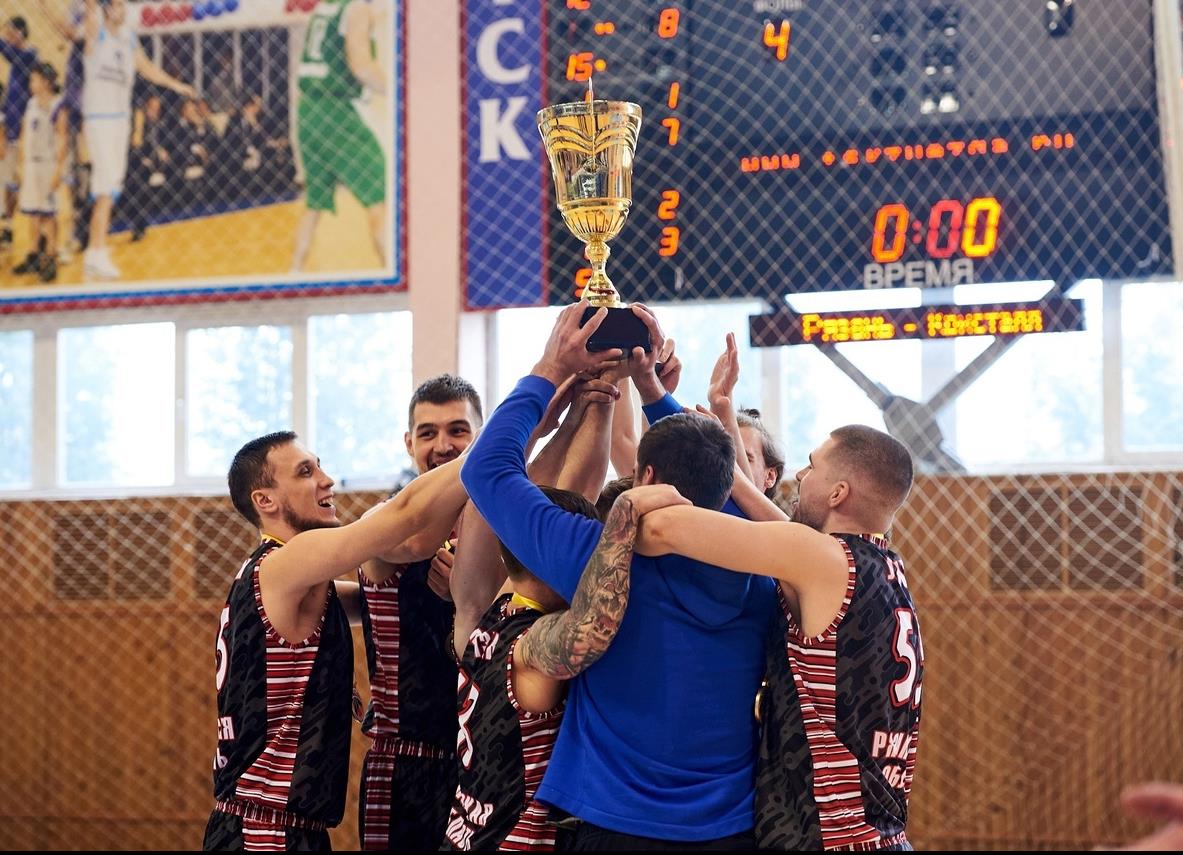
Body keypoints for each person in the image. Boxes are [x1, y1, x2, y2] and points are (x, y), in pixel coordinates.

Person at [461, 302, 779, 849]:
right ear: (729, 483)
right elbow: (720, 487)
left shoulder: (594, 552)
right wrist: (652, 390)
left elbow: (485, 467)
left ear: (644, 476)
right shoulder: (763, 570)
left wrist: (549, 369)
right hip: (730, 827)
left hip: (613, 821)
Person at [635, 423, 922, 850]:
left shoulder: (822, 559)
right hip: (881, 836)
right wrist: (729, 453)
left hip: (826, 837)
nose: (801, 476)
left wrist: (640, 486)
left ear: (838, 493)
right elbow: (786, 534)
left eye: (811, 466)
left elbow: (659, 529)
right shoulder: (883, 567)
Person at [204, 430, 468, 851]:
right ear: (265, 500)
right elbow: (405, 514)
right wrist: (497, 438)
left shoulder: (295, 585)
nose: (326, 480)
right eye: (305, 472)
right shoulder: (284, 563)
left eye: (320, 466)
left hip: (286, 825)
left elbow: (378, 601)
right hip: (265, 829)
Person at [445, 483, 689, 851]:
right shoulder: (530, 646)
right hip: (512, 841)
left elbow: (528, 526)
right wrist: (624, 515)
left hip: (465, 833)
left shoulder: (500, 609)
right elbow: (593, 626)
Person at [353, 374, 484, 851]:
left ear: (479, 433)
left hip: (482, 761)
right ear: (409, 443)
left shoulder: (498, 530)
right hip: (405, 764)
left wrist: (473, 591)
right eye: (428, 433)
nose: (443, 445)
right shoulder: (381, 521)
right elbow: (411, 542)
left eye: (458, 430)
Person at [81, 0, 194, 280]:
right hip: (100, 118)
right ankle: (96, 251)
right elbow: (90, 9)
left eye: (124, 5)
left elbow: (147, 68)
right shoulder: (97, 32)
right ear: (107, 9)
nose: (123, 10)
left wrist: (176, 85)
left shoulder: (128, 37)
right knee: (106, 187)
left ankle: (95, 251)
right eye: (118, 5)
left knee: (112, 186)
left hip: (121, 119)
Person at [291, 0, 388, 273]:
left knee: (314, 202)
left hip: (308, 110)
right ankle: (390, 269)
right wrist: (398, 89)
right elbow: (361, 67)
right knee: (378, 193)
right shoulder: (357, 8)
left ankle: (294, 271)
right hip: (336, 110)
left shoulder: (325, 6)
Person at [12, 62, 67, 283]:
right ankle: (33, 255)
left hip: (48, 164)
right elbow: (25, 132)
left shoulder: (58, 106)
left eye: (34, 80)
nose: (30, 83)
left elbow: (62, 139)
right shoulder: (32, 103)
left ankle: (51, 257)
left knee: (48, 214)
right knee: (33, 213)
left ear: (46, 82)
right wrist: (20, 162)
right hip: (31, 165)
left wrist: (58, 170)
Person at [0, 16, 38, 251]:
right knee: (7, 180)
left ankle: (13, 229)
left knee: (16, 181)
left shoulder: (28, 56)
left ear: (20, 33)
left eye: (9, 33)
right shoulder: (16, 62)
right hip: (10, 130)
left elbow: (5, 50)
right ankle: (6, 227)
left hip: (24, 133)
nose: (6, 37)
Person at [124, 94, 168, 241]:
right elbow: (135, 144)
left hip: (151, 163)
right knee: (137, 193)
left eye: (157, 108)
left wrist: (159, 151)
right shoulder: (139, 122)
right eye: (152, 107)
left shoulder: (156, 123)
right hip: (137, 163)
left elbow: (155, 143)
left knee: (143, 195)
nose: (155, 111)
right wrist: (143, 158)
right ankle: (138, 226)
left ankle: (141, 226)